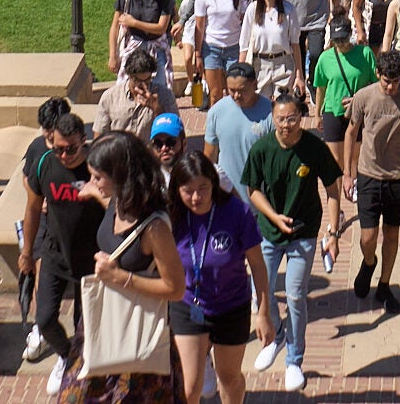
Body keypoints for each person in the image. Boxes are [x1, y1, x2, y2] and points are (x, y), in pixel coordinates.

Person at [64, 131, 187, 404]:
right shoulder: (118, 201)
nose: (93, 182)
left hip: (135, 341)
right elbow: (107, 202)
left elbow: (176, 288)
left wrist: (120, 277)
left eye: (98, 177)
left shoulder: (154, 227)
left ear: (120, 176)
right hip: (101, 327)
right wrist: (92, 191)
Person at [242, 92, 343, 392]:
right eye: (280, 119)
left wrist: (333, 232)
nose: (286, 125)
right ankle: (276, 336)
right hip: (270, 231)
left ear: (302, 118)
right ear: (272, 119)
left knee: (296, 295)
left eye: (292, 119)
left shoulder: (314, 148)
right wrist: (273, 217)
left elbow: (333, 191)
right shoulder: (262, 148)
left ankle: (294, 360)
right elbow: (253, 190)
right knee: (262, 290)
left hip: (303, 231)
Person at [168, 153, 273, 404]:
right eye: (188, 190)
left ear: (214, 184)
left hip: (231, 307)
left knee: (229, 377)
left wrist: (263, 313)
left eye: (203, 188)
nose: (196, 197)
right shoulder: (171, 217)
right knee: (190, 386)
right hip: (188, 306)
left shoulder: (237, 212)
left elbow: (258, 266)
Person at [20, 113, 106, 386]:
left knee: (86, 326)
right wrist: (27, 253)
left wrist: (98, 193)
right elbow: (33, 208)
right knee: (44, 319)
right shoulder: (45, 163)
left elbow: (118, 209)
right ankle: (67, 357)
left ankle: (83, 370)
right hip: (55, 255)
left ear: (84, 140)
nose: (65, 155)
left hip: (91, 261)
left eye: (72, 148)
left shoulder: (98, 166)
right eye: (59, 148)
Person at [341, 50, 400, 313]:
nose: (391, 87)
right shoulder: (364, 97)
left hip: (398, 176)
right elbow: (351, 132)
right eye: (386, 81)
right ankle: (369, 263)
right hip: (368, 174)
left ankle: (385, 285)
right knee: (367, 237)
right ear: (378, 75)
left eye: (396, 81)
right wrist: (347, 172)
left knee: (391, 234)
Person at [311, 19, 374, 270]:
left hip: (358, 114)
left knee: (355, 161)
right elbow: (320, 87)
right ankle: (334, 217)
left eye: (344, 39)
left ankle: (353, 182)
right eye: (337, 40)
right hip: (333, 113)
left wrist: (359, 99)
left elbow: (373, 82)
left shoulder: (365, 53)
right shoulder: (326, 58)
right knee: (334, 169)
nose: (341, 44)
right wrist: (316, 114)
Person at [202, 62, 275, 195]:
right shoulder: (216, 112)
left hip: (262, 200)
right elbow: (209, 158)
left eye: (242, 90)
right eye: (231, 90)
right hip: (227, 200)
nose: (236, 95)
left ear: (255, 84)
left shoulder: (271, 113)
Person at [193, 0, 249, 108]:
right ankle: (215, 128)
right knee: (215, 93)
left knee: (235, 92)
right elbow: (199, 26)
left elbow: (245, 23)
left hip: (234, 48)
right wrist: (197, 54)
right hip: (212, 49)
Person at [113, 0, 177, 85]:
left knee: (160, 87)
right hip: (134, 45)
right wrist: (112, 55)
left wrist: (134, 23)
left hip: (157, 46)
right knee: (124, 86)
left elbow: (161, 27)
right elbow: (114, 27)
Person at [241, 0, 302, 97]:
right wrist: (241, 72)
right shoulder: (253, 9)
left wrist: (299, 75)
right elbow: (244, 44)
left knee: (283, 107)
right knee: (260, 107)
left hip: (283, 64)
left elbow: (295, 44)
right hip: (259, 65)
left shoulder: (288, 10)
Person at [94, 49, 178, 140]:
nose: (143, 85)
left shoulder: (165, 95)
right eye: (137, 80)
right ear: (129, 75)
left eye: (147, 80)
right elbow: (99, 135)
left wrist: (157, 109)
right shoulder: (110, 97)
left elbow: (175, 132)